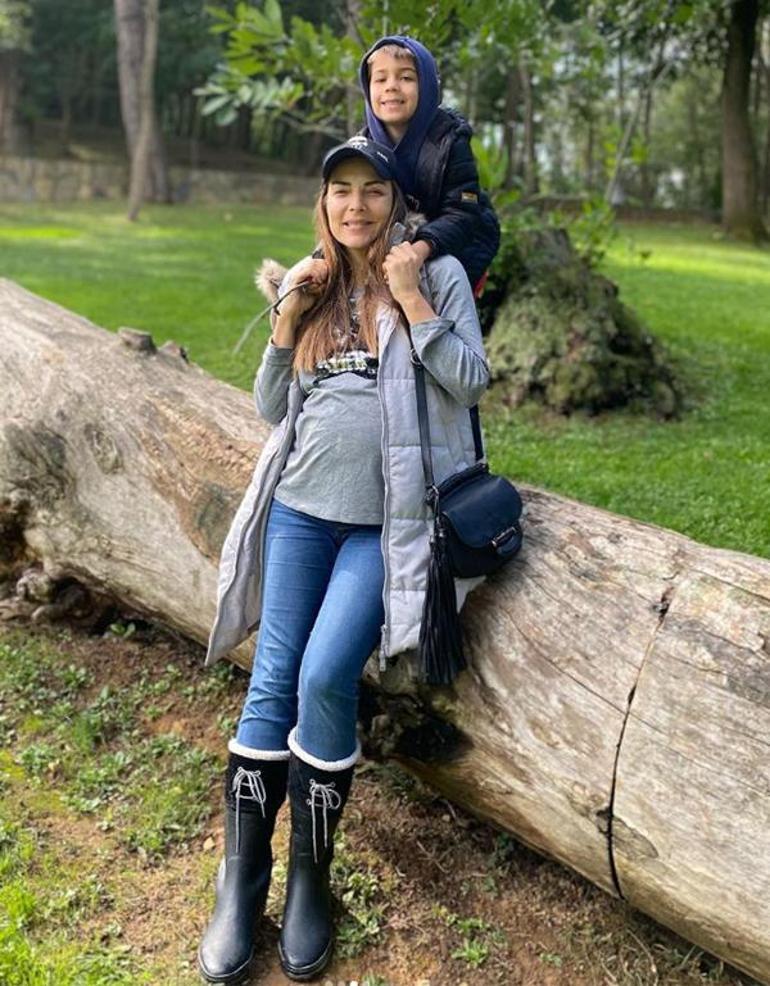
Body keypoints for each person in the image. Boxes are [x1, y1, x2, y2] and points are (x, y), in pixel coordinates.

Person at [198, 136, 491, 984]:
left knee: (325, 675)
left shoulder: (432, 274)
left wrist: (412, 300)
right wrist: (287, 319)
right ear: (323, 204)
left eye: (371, 190)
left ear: (396, 203)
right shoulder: (315, 280)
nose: (355, 205)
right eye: (340, 191)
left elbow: (471, 381)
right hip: (299, 513)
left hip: (383, 528)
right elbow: (272, 405)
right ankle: (241, 883)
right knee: (271, 680)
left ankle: (309, 881)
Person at [358, 34, 501, 296]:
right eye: (380, 79)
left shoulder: (450, 140)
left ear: (427, 87)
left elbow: (462, 212)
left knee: (440, 297)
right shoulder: (362, 146)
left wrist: (420, 250)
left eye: (406, 78)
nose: (391, 86)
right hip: (396, 248)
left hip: (457, 244)